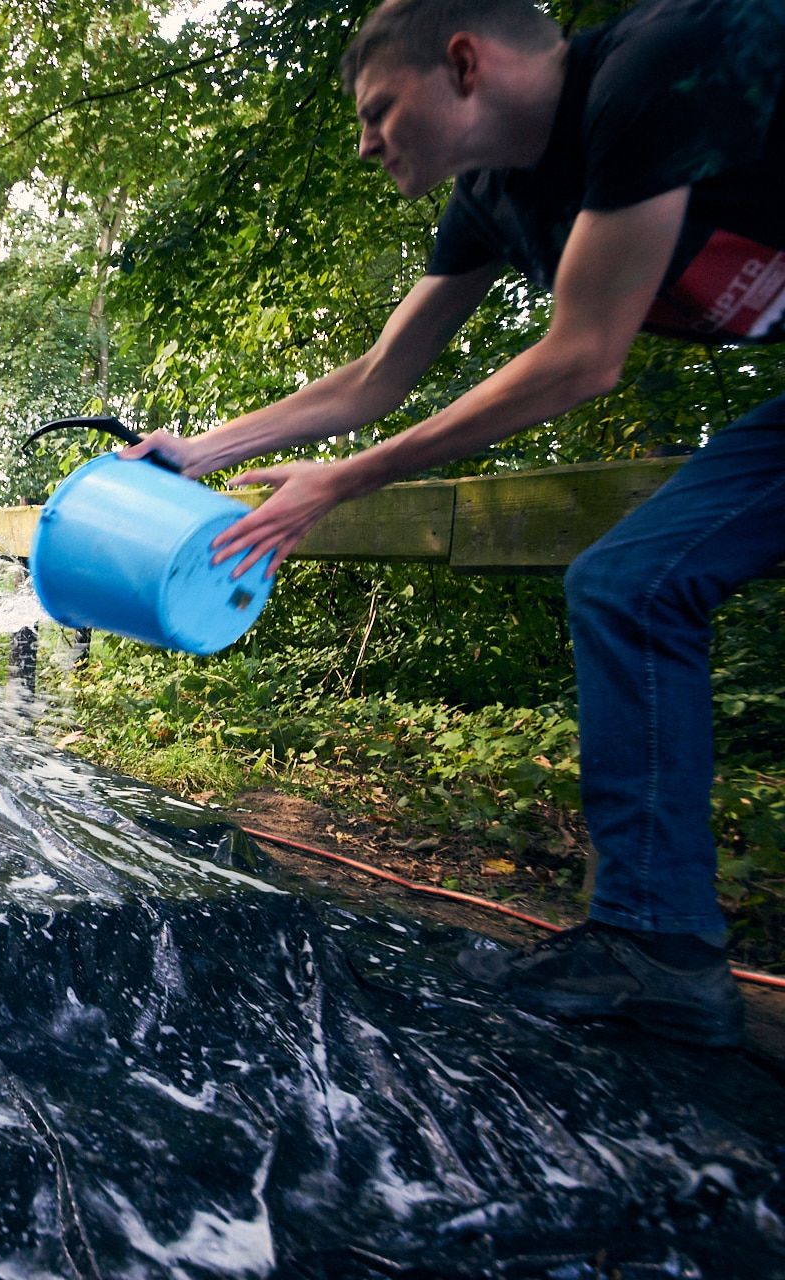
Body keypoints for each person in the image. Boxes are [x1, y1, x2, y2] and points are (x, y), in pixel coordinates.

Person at [122, 0, 785, 1048]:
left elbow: (582, 357)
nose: (366, 140)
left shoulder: (666, 67)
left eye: (380, 110)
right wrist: (195, 453)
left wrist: (345, 482)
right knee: (630, 583)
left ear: (465, 64)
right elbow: (379, 376)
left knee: (630, 580)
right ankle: (659, 950)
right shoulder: (493, 198)